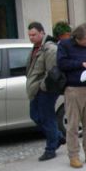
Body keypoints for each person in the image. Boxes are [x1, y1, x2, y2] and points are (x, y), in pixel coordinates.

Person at [57, 23, 86, 169]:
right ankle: (74, 156)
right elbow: (62, 64)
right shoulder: (65, 45)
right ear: (78, 37)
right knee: (73, 125)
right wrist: (83, 64)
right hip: (73, 89)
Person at [25, 22, 64, 161]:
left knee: (47, 118)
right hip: (36, 89)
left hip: (46, 90)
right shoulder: (36, 47)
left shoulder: (50, 48)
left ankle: (51, 148)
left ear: (42, 33)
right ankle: (58, 137)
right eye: (29, 35)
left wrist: (42, 87)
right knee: (35, 116)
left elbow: (52, 72)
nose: (31, 37)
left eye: (34, 34)